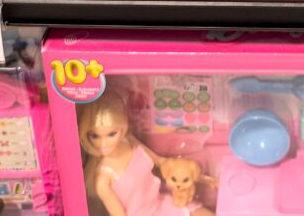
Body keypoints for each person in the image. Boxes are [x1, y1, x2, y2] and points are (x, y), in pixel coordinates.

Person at [79, 89, 215, 216]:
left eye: (111, 134)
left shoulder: (128, 141)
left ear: (123, 127)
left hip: (162, 204)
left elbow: (164, 163)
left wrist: (201, 178)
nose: (103, 144)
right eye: (95, 136)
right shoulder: (102, 180)